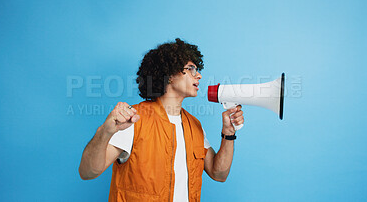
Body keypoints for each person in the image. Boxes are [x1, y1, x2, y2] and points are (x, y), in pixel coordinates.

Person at [79, 38, 244, 202]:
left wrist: (228, 134)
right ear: (170, 75)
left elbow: (219, 174)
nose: (199, 75)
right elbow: (87, 172)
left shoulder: (194, 125)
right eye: (191, 68)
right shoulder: (133, 120)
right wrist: (105, 131)